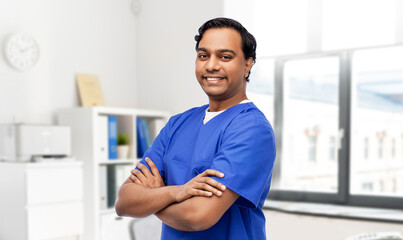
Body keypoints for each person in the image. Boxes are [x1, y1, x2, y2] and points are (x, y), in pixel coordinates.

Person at [115, 17, 276, 240]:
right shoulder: (177, 124)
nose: (211, 65)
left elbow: (198, 216)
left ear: (247, 65)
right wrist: (177, 191)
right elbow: (124, 202)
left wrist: (153, 198)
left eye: (225, 56)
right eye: (203, 55)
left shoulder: (252, 129)